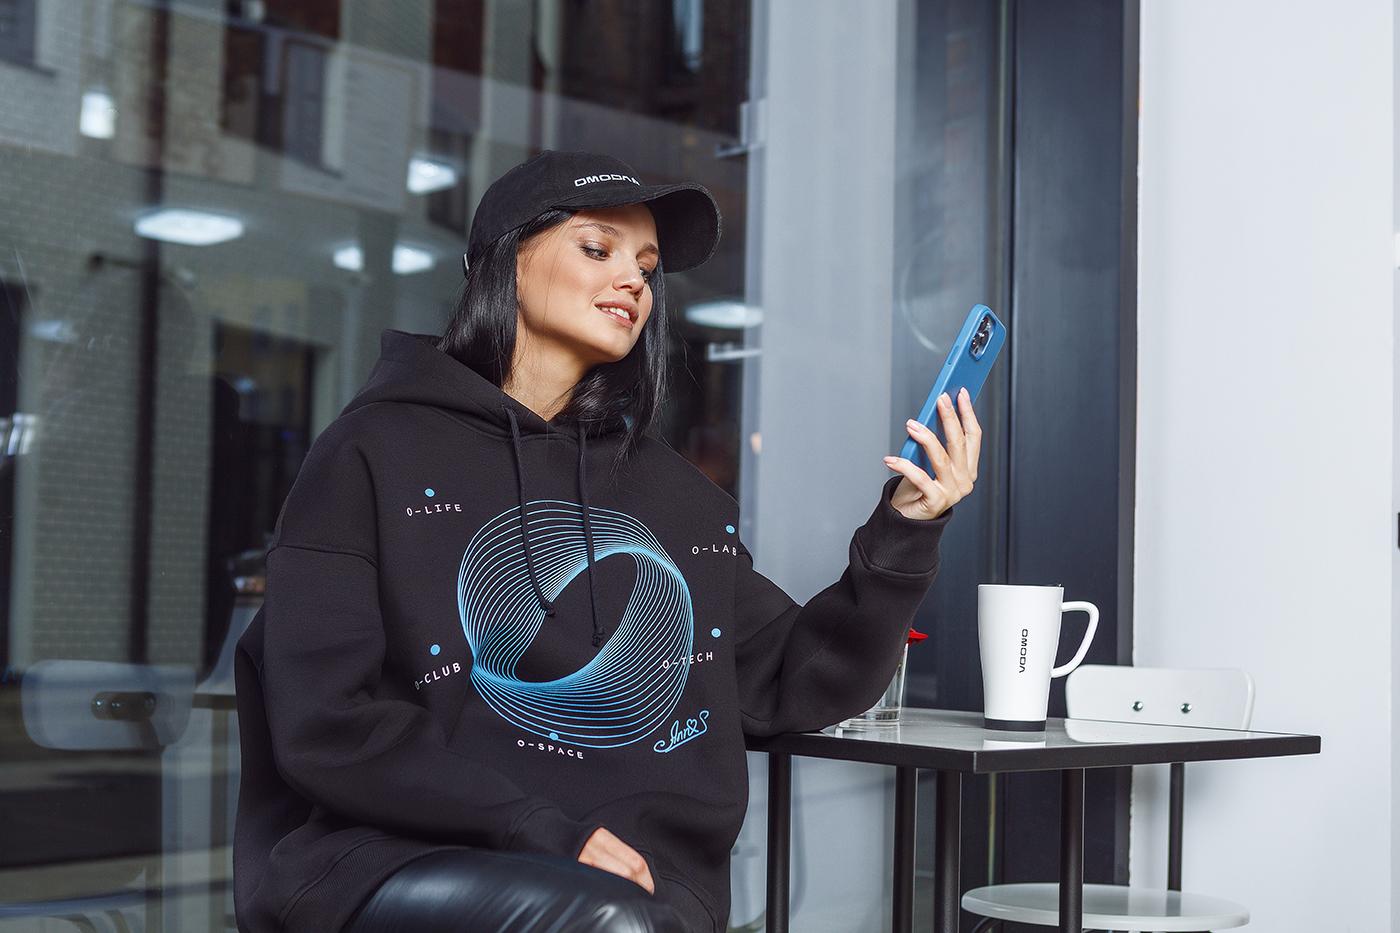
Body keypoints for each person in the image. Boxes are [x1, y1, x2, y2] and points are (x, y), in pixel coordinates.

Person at [232, 150, 981, 933]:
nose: (633, 281)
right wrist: (534, 827)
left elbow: (798, 676)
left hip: (638, 885)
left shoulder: (674, 497)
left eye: (647, 268)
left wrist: (906, 528)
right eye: (598, 249)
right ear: (504, 264)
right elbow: (326, 722)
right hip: (398, 855)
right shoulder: (373, 451)